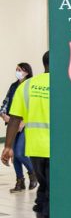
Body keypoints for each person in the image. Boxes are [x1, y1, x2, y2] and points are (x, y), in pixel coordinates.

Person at [1, 52, 50, 218]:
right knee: (53, 193)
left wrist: (8, 146)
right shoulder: (66, 85)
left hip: (35, 148)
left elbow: (14, 117)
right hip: (59, 149)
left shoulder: (27, 85)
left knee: (44, 189)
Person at [1, 62, 36, 193]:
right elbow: (6, 102)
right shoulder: (14, 86)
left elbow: (33, 107)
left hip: (25, 125)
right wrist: (3, 114)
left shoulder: (32, 86)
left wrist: (24, 122)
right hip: (13, 124)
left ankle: (33, 174)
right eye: (16, 70)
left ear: (27, 71)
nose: (17, 72)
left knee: (20, 153)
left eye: (20, 70)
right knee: (14, 155)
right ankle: (19, 182)